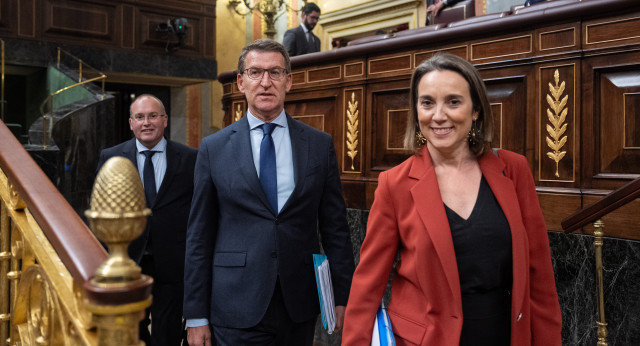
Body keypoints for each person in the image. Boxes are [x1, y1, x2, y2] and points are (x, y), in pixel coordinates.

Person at [342, 53, 562, 345]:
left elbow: (540, 276)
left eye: (453, 102)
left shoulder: (513, 170)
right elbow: (368, 285)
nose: (438, 115)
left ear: (476, 111)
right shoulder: (394, 184)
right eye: (427, 102)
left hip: (505, 334)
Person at [183, 39, 355, 346]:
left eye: (275, 72)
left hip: (298, 304)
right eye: (255, 72)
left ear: (289, 81)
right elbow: (199, 236)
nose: (265, 82)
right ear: (240, 81)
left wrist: (342, 296)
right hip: (234, 304)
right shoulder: (213, 149)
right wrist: (196, 315)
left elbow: (336, 230)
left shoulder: (318, 145)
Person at [96, 94, 197, 346]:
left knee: (168, 333)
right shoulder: (111, 157)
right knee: (131, 332)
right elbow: (99, 206)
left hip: (174, 264)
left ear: (164, 120)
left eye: (153, 116)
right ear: (131, 123)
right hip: (129, 261)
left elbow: (198, 211)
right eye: (140, 117)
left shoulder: (190, 158)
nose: (146, 122)